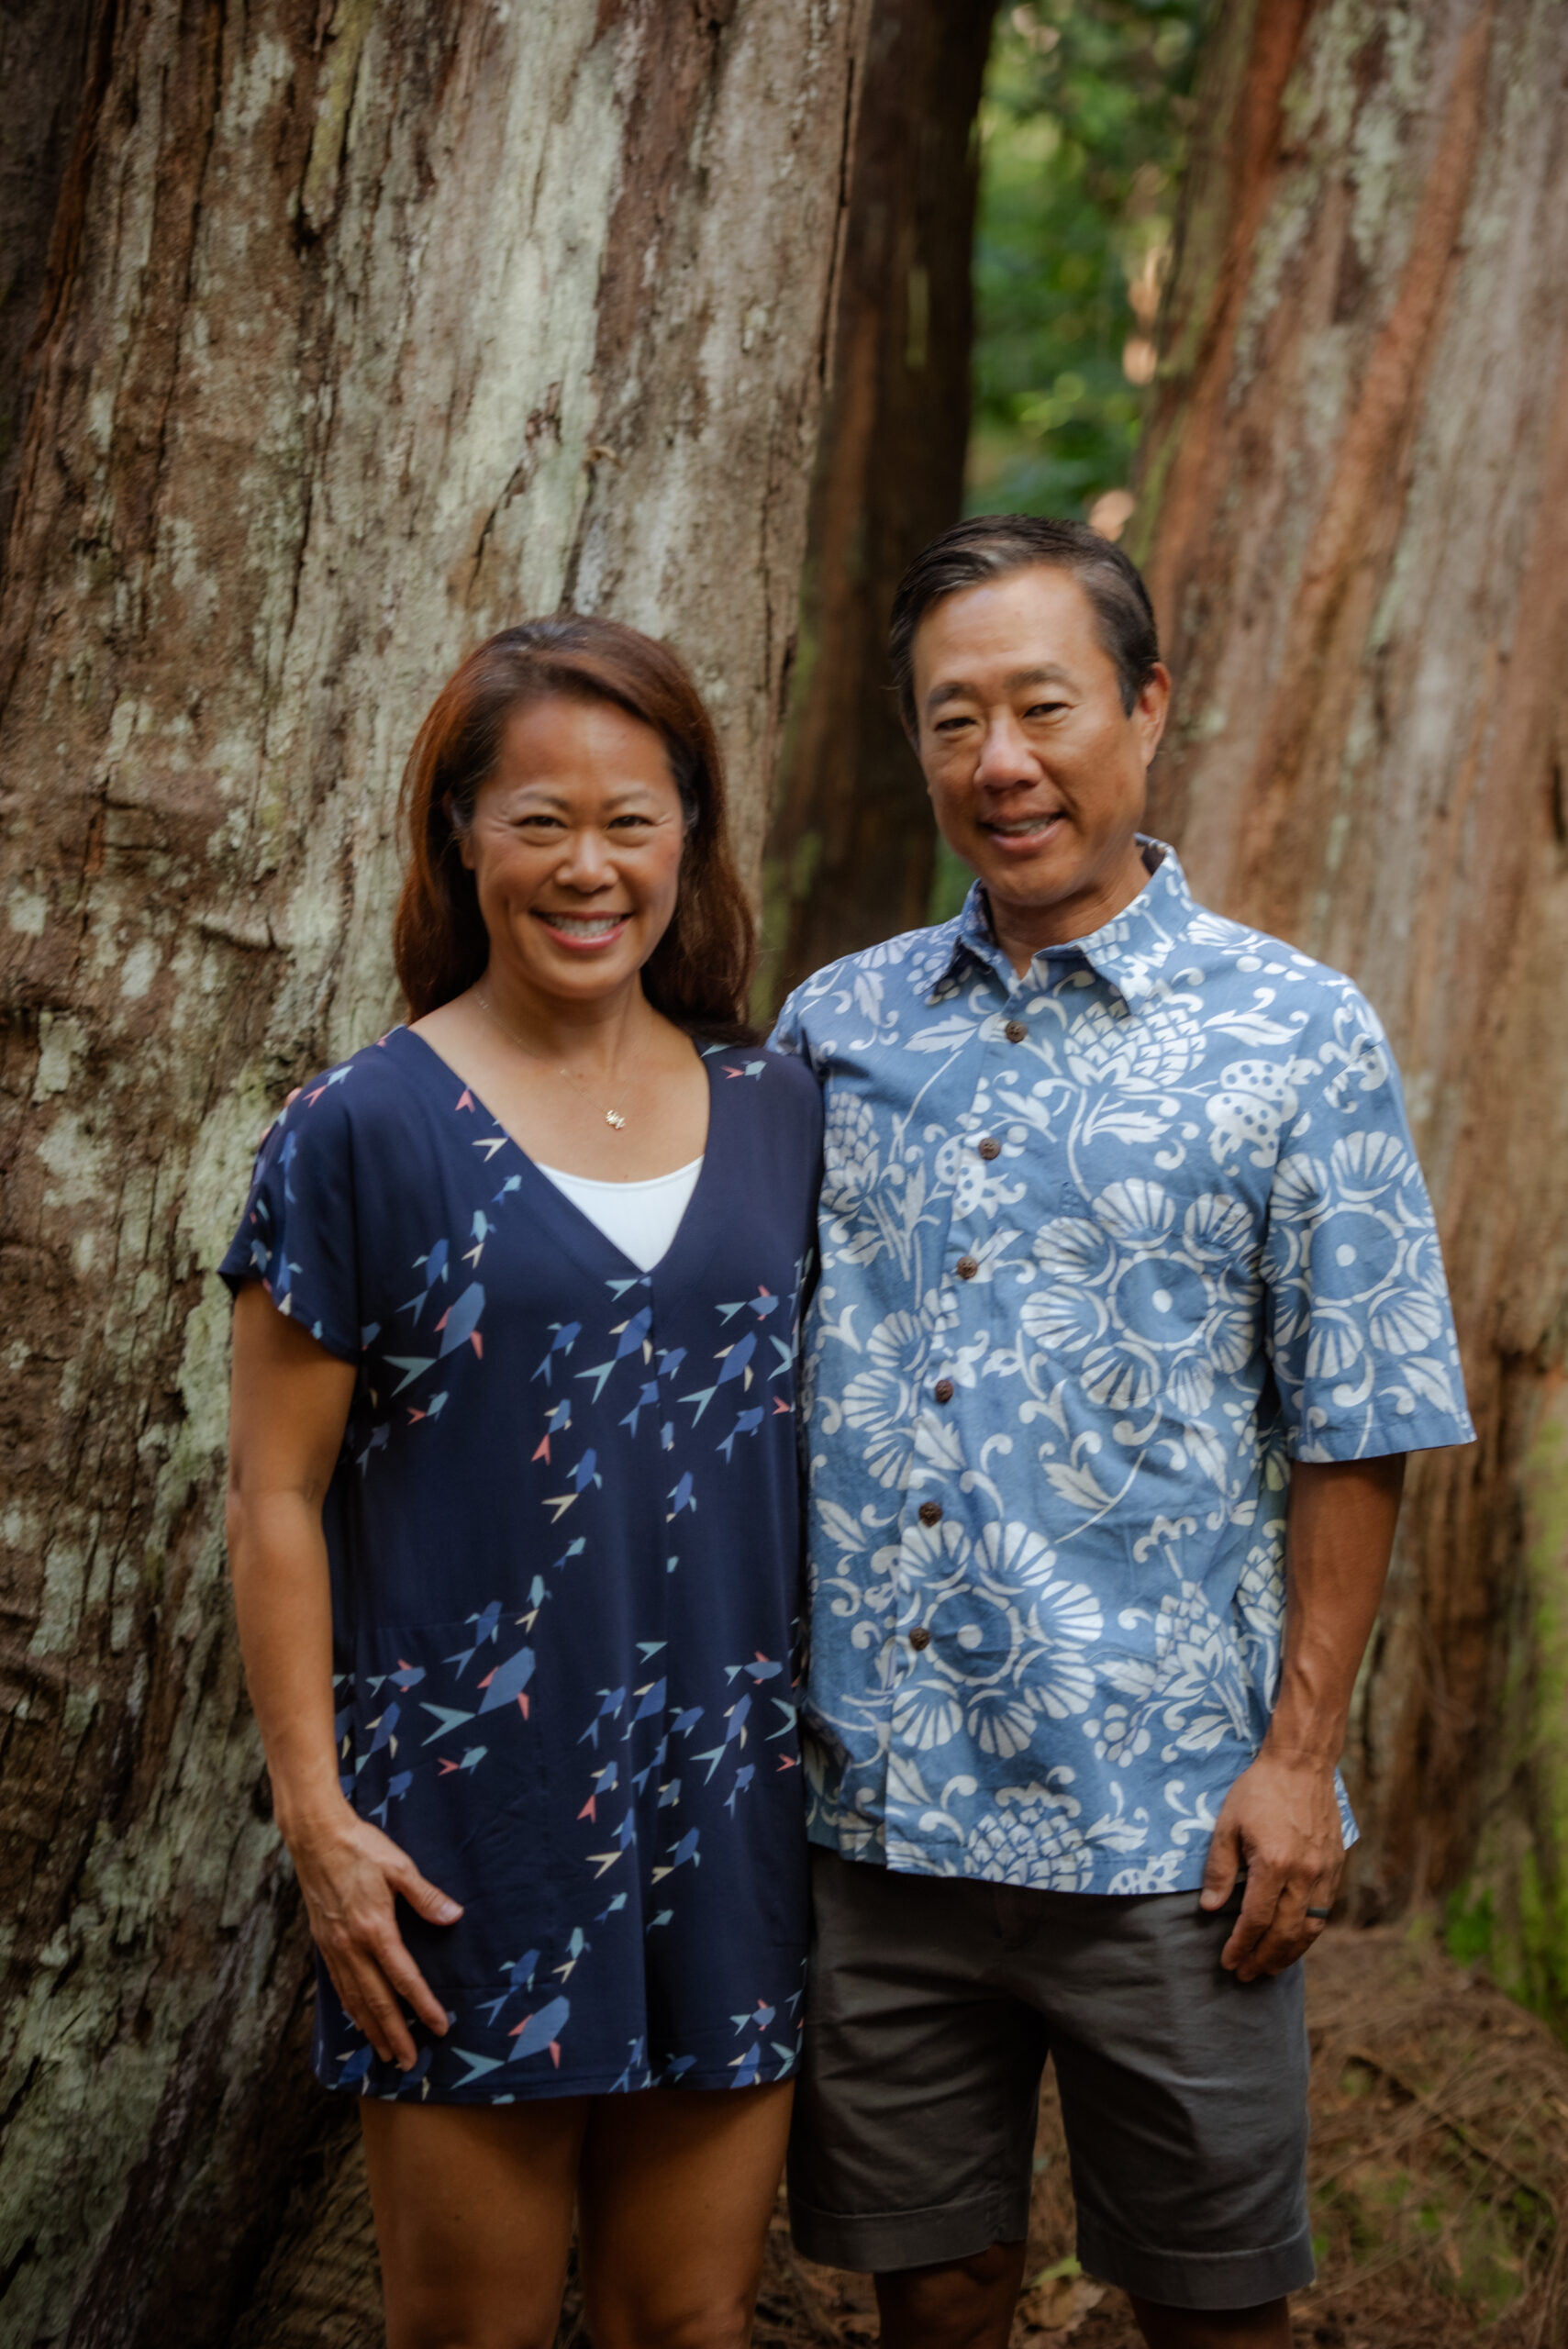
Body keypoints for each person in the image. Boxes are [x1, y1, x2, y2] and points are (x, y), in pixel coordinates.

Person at [770, 517, 1474, 2349]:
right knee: (934, 2287)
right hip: (881, 1820)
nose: (997, 762)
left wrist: (1301, 1755)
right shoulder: (833, 1030)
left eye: (1041, 705)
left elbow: (1363, 1410)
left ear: (1146, 706)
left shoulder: (1296, 1034)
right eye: (951, 720)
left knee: (1214, 2301)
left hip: (1175, 1837)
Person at [222, 617, 822, 2349]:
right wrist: (319, 1820)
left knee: (685, 2320)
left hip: (729, 1817)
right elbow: (274, 1496)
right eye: (537, 818)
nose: (587, 867)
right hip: (459, 1844)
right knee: (467, 2333)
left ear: (689, 840)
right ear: (460, 838)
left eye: (632, 820)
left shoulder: (780, 1107)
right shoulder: (362, 1128)